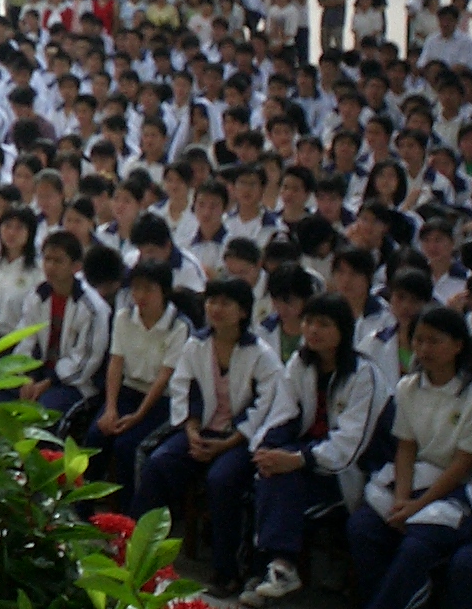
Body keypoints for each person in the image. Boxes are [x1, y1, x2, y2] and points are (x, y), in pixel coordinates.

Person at [132, 278, 290, 598]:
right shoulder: (197, 344)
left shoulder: (261, 355)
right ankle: (137, 554)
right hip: (200, 430)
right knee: (158, 464)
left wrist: (229, 442)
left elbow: (265, 405)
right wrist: (191, 430)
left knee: (222, 480)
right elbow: (183, 388)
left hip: (241, 439)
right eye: (212, 301)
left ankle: (227, 571)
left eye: (225, 303)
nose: (216, 309)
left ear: (243, 311)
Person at [242, 292, 392, 606]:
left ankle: (271, 568)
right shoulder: (301, 362)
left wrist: (297, 459)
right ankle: (278, 568)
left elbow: (350, 444)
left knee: (278, 485)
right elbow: (283, 412)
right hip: (303, 458)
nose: (312, 330)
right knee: (267, 473)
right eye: (308, 321)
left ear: (343, 330)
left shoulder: (364, 374)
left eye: (323, 324)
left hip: (345, 472)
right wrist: (268, 450)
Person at [349, 307, 472, 609]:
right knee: (362, 528)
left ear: (457, 345)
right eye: (419, 340)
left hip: (453, 492)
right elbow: (406, 446)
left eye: (435, 341)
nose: (424, 349)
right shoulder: (407, 388)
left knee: (416, 547)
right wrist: (402, 500)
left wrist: (418, 506)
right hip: (411, 480)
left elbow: (462, 463)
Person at [87, 258, 190, 510]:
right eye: (135, 288)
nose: (140, 296)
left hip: (161, 400)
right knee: (96, 435)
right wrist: (111, 408)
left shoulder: (178, 326)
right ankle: (81, 510)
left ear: (164, 291)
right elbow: (115, 364)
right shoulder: (123, 318)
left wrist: (138, 416)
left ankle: (129, 517)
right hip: (128, 392)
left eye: (148, 289)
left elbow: (164, 377)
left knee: (128, 446)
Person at [16, 230, 112, 415]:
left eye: (58, 261)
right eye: (47, 259)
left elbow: (85, 361)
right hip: (38, 373)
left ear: (76, 267)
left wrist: (48, 382)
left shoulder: (92, 308)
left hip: (74, 382)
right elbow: (26, 340)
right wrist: (28, 377)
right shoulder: (37, 296)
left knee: (42, 412)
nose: (50, 267)